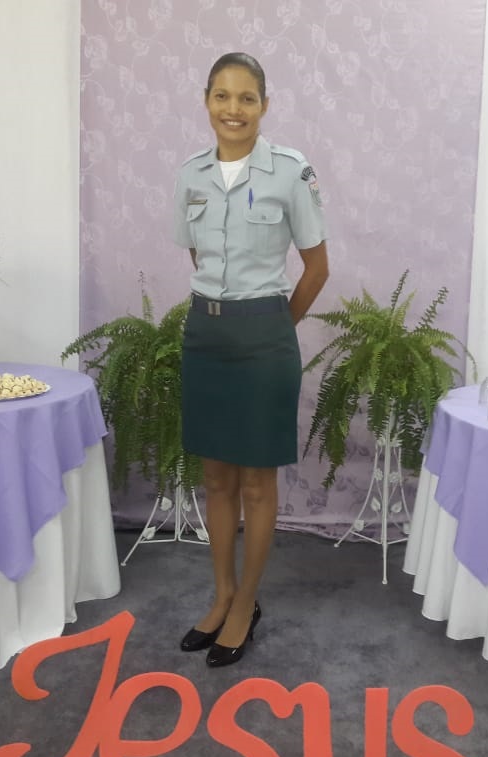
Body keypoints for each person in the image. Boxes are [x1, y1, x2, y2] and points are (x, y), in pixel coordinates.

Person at [171, 52, 330, 668]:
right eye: (222, 96)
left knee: (257, 483)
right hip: (206, 337)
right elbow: (198, 258)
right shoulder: (190, 174)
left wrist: (273, 325)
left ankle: (246, 604)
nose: (233, 109)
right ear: (206, 100)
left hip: (265, 338)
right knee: (216, 477)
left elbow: (316, 269)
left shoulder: (291, 171)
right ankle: (222, 594)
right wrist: (225, 313)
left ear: (265, 105)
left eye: (246, 98)